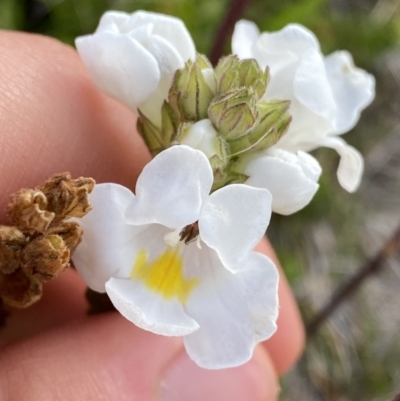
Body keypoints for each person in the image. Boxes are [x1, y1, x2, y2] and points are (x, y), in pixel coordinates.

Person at [0, 30, 304, 401]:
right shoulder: (140, 210)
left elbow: (241, 316)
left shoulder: (214, 232)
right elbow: (100, 231)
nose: (187, 231)